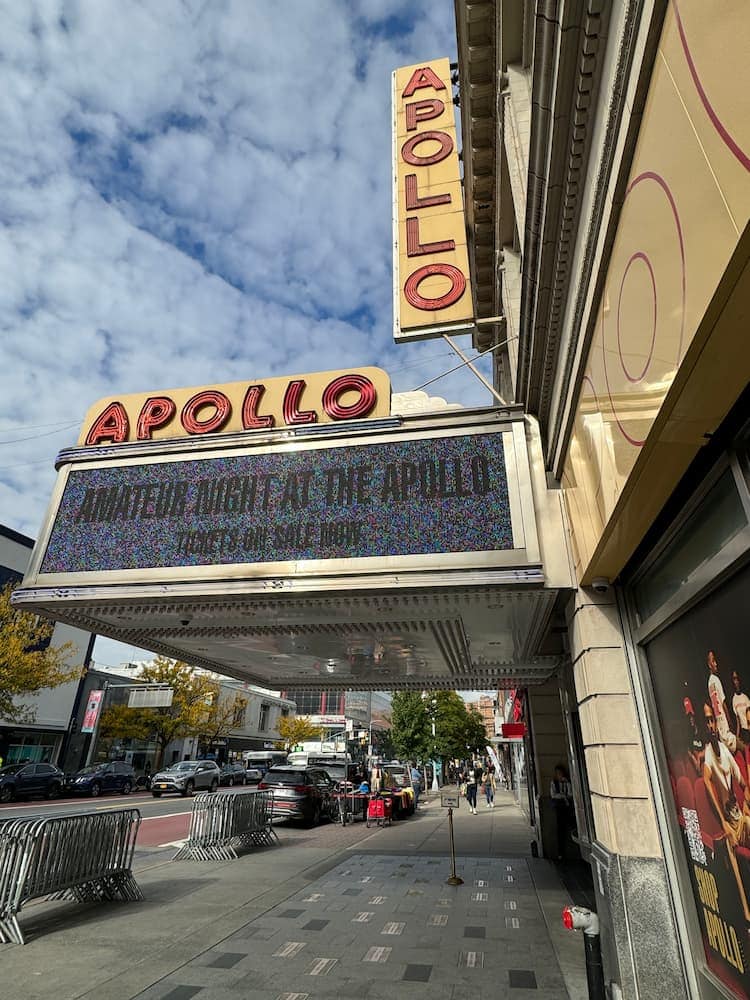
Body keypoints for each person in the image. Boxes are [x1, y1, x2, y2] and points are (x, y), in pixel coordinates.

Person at [702, 700, 750, 921]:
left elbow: (742, 782)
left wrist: (747, 799)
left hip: (740, 818)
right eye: (708, 721)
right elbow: (706, 780)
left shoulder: (723, 749)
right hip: (728, 826)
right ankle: (746, 915)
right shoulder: (709, 754)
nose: (711, 725)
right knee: (732, 856)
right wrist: (723, 823)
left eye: (713, 720)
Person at [707, 649, 737, 751]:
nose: (716, 664)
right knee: (744, 748)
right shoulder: (716, 679)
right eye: (713, 661)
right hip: (726, 728)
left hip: (720, 731)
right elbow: (723, 703)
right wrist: (730, 724)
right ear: (709, 664)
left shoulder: (709, 683)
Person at [550, 764, 574, 861]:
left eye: (561, 773)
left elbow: (571, 794)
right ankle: (561, 853)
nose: (559, 775)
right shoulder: (553, 783)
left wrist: (567, 784)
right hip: (559, 808)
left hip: (567, 807)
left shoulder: (567, 783)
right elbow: (553, 795)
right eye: (558, 774)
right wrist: (563, 796)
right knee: (560, 830)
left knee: (571, 826)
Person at [731, 671, 750, 746]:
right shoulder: (734, 700)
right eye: (734, 679)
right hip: (744, 733)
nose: (736, 682)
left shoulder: (745, 698)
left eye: (737, 679)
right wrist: (737, 736)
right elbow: (738, 720)